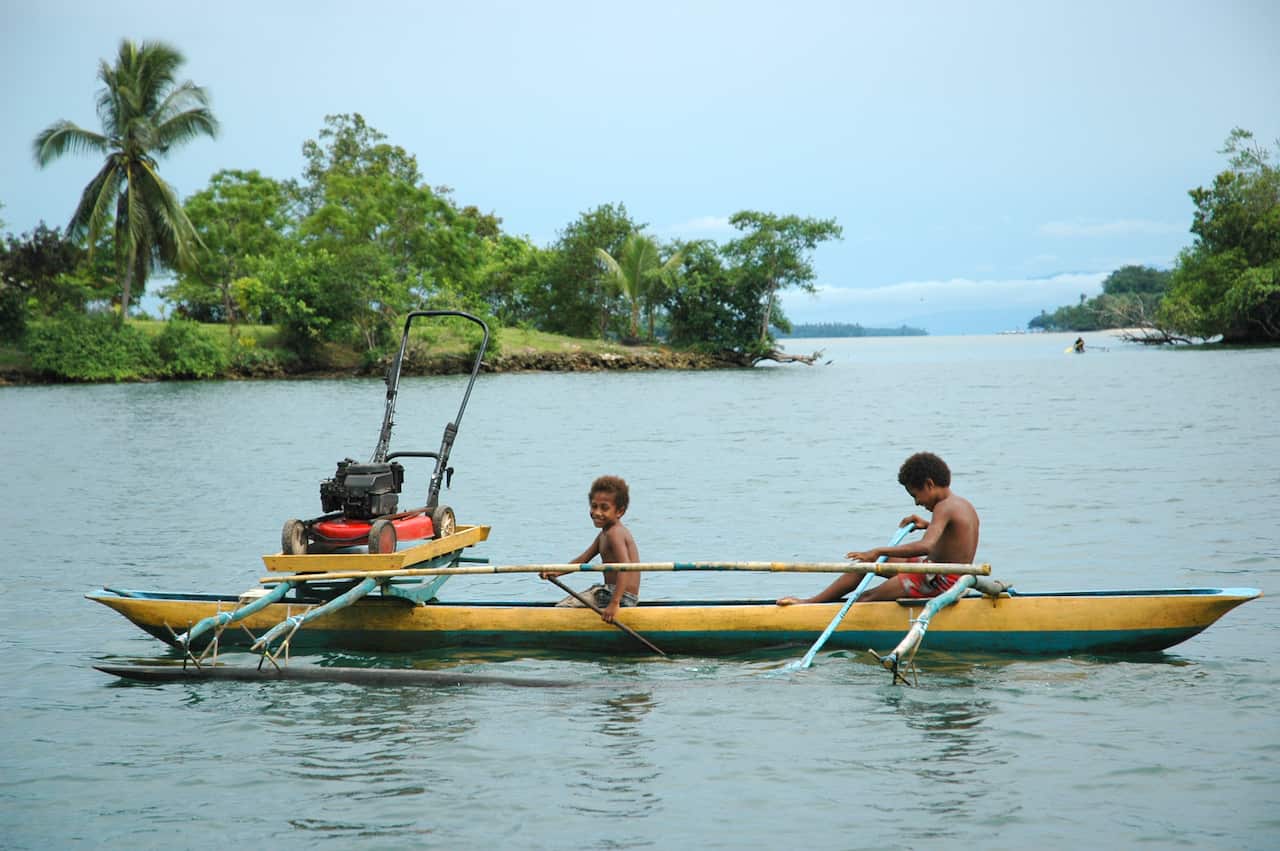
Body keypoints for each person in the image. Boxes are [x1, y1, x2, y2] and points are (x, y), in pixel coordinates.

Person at [777, 452, 980, 605]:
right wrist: (926, 525)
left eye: (915, 495)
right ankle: (813, 602)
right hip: (942, 571)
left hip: (942, 581)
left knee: (866, 598)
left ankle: (815, 610)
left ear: (929, 484)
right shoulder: (961, 504)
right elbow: (954, 536)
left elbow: (926, 546)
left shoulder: (943, 508)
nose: (917, 503)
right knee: (868, 564)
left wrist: (880, 550)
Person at [540, 475, 640, 623]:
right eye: (594, 506)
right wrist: (556, 571)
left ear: (619, 512)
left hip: (618, 596)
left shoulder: (615, 533)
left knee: (563, 607)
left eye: (604, 508)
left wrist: (614, 603)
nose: (597, 513)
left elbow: (624, 566)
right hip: (612, 593)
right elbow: (583, 559)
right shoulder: (604, 534)